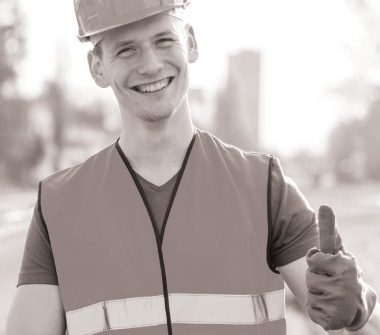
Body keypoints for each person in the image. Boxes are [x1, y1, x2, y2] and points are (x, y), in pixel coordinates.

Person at [5, 1, 379, 334]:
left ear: (192, 43)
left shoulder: (264, 187)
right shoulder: (60, 205)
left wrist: (355, 314)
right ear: (97, 67)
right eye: (126, 49)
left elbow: (346, 321)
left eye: (164, 41)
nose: (150, 65)